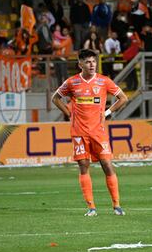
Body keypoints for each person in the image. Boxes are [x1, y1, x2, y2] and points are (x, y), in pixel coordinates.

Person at [51, 49, 129, 216]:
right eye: (87, 62)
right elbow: (55, 98)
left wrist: (107, 113)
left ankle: (116, 205)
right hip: (79, 132)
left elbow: (123, 98)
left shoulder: (103, 81)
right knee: (83, 166)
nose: (92, 64)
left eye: (94, 61)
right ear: (80, 64)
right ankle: (91, 207)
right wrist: (69, 112)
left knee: (107, 165)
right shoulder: (72, 82)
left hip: (98, 133)